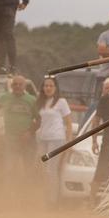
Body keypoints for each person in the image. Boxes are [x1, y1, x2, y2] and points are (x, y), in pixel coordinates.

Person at [34, 76, 75, 207]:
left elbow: (68, 123)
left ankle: (53, 200)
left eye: (51, 86)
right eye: (46, 86)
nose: (48, 88)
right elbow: (39, 121)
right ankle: (46, 197)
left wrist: (69, 141)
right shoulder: (41, 102)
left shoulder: (61, 102)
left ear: (55, 88)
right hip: (43, 139)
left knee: (51, 169)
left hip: (57, 138)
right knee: (41, 169)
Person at [0, 74, 40, 180]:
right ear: (11, 86)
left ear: (25, 86)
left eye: (20, 84)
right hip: (10, 138)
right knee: (9, 167)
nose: (18, 86)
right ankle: (9, 192)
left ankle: (26, 191)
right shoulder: (5, 97)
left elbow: (39, 119)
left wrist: (29, 132)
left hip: (28, 140)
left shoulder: (32, 100)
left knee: (28, 166)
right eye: (15, 84)